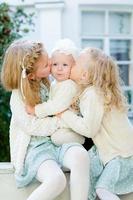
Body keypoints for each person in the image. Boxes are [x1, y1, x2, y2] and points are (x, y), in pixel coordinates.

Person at [1, 39, 89, 200]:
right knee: (56, 180)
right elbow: (31, 127)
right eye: (47, 65)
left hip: (57, 141)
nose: (51, 63)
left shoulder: (50, 84)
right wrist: (62, 121)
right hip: (35, 148)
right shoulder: (18, 96)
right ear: (31, 74)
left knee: (81, 157)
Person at [58, 47, 133, 200]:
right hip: (119, 153)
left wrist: (65, 114)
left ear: (85, 75)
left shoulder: (92, 94)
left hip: (121, 157)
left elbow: (89, 129)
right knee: (89, 180)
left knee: (102, 189)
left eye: (76, 62)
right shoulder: (96, 92)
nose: (72, 64)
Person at [26, 38, 85, 146]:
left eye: (65, 65)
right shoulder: (55, 83)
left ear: (72, 67)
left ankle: (83, 141)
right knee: (54, 136)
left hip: (70, 124)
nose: (59, 69)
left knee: (57, 138)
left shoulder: (69, 85)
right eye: (55, 64)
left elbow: (56, 106)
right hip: (61, 122)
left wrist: (36, 110)